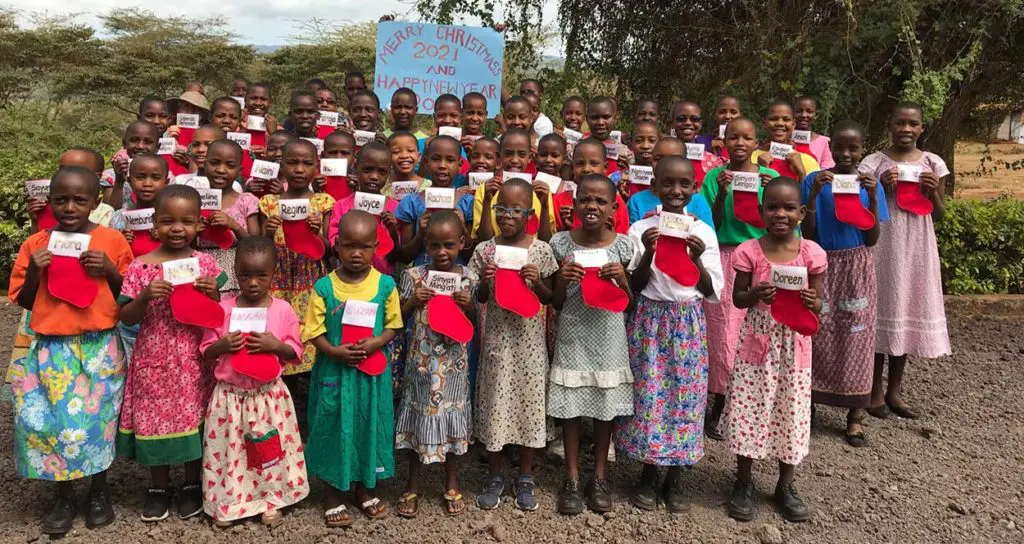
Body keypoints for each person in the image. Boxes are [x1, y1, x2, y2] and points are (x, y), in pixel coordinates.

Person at [8, 166, 133, 536]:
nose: (69, 207)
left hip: (99, 348)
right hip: (50, 349)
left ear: (96, 202)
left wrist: (109, 270)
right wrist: (35, 271)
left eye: (80, 199)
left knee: (97, 423)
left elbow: (128, 296)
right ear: (49, 202)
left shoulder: (111, 240)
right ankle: (62, 494)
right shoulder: (36, 244)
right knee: (48, 423)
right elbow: (26, 301)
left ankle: (98, 491)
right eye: (60, 199)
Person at [617, 156, 723, 512]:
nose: (676, 191)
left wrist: (695, 259)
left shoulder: (704, 233)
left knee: (686, 396)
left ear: (694, 188)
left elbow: (711, 291)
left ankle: (676, 478)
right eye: (668, 184)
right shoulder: (641, 229)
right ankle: (648, 474)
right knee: (650, 395)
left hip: (687, 323)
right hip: (649, 320)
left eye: (684, 184)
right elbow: (634, 284)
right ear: (655, 187)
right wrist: (648, 251)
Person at [117, 185, 227, 522]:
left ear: (199, 225)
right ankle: (158, 487)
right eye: (167, 221)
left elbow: (218, 312)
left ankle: (193, 483)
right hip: (154, 355)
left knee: (194, 417)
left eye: (186, 221)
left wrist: (213, 292)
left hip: (194, 358)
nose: (177, 228)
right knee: (155, 420)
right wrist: (145, 296)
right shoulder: (140, 267)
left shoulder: (206, 263)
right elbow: (125, 316)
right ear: (154, 224)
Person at [723, 176, 826, 523]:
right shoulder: (749, 251)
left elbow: (818, 305)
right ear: (761, 211)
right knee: (750, 410)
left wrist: (814, 301)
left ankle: (785, 484)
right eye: (772, 207)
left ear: (802, 212)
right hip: (758, 345)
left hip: (794, 348)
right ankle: (743, 481)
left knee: (791, 411)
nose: (780, 213)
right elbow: (738, 299)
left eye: (788, 208)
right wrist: (756, 294)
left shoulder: (812, 253)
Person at [302, 210, 403, 527]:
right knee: (335, 426)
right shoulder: (323, 287)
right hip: (335, 373)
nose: (356, 254)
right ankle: (333, 493)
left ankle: (363, 488)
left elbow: (393, 326)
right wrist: (333, 351)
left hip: (371, 376)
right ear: (336, 246)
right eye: (348, 246)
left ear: (376, 247)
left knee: (367, 426)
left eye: (364, 247)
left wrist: (375, 344)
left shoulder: (385, 285)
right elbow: (313, 331)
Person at [200, 235, 308, 528]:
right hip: (230, 398)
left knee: (267, 450)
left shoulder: (282, 310)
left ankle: (269, 500)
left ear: (274, 272)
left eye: (261, 275)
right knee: (229, 451)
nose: (252, 282)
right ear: (235, 271)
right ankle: (230, 502)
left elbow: (296, 351)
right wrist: (222, 345)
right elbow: (206, 350)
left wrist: (276, 346)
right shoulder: (222, 309)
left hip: (267, 397)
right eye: (245, 274)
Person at [548, 174, 636, 515]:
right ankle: (571, 477)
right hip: (573, 332)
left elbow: (627, 304)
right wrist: (561, 279)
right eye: (585, 199)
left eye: (600, 201)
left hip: (609, 336)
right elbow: (556, 302)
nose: (592, 206)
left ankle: (598, 476)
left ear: (613, 208)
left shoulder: (623, 246)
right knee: (570, 411)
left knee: (604, 410)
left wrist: (622, 279)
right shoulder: (560, 244)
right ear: (574, 204)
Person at [470, 178, 557, 512]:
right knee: (495, 401)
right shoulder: (485, 250)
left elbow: (551, 298)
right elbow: (478, 298)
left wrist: (535, 282)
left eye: (515, 210)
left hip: (530, 345)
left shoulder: (541, 251)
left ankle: (525, 474)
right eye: (501, 209)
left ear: (529, 214)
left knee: (528, 402)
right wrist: (485, 281)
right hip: (497, 342)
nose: (507, 216)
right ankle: (494, 474)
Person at [859, 102, 950, 420]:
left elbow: (939, 215)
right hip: (884, 243)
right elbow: (862, 210)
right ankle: (873, 389)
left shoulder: (933, 163)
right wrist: (881, 189)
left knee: (906, 308)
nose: (906, 129)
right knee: (880, 309)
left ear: (922, 128)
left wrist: (933, 194)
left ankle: (895, 389)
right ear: (891, 126)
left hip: (917, 248)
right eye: (900, 123)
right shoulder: (873, 163)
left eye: (913, 124)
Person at [801, 120, 887, 446]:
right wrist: (812, 195)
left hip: (856, 265)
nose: (846, 153)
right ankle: (807, 402)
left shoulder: (870, 183)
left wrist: (873, 199)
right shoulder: (815, 180)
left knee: (857, 336)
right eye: (840, 147)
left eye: (853, 148)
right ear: (830, 148)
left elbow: (873, 237)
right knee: (815, 331)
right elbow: (807, 234)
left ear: (862, 150)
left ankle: (855, 415)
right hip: (821, 263)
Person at [394, 211, 477, 518]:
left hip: (453, 367)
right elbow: (398, 319)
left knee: (452, 417)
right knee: (419, 418)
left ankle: (451, 481)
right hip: (421, 366)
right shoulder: (414, 276)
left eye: (450, 245)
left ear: (462, 243)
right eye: (435, 246)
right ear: (425, 245)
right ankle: (413, 483)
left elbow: (473, 324)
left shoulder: (467, 278)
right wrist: (413, 300)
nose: (442, 252)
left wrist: (467, 305)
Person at [700, 118, 779, 439]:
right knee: (723, 333)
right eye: (733, 137)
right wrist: (721, 194)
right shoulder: (714, 177)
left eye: (747, 137)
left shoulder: (770, 177)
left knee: (759, 331)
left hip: (761, 257)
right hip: (725, 256)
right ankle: (721, 400)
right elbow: (711, 224)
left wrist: (761, 190)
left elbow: (775, 221)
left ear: (757, 142)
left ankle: (756, 400)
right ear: (724, 141)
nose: (740, 143)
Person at [259, 139, 334, 376]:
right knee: (281, 337)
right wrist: (268, 232)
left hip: (311, 283)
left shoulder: (323, 202)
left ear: (316, 167)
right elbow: (260, 249)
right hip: (278, 283)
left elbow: (329, 250)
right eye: (292, 163)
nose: (299, 169)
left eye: (306, 163)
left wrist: (316, 235)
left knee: (311, 339)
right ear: (282, 165)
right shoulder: (269, 204)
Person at [109, 154, 171, 361]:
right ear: (129, 180)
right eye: (140, 177)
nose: (147, 183)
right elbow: (111, 259)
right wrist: (121, 241)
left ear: (166, 182)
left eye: (155, 178)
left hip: (166, 301)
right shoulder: (119, 218)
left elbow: (188, 250)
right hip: (129, 297)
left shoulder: (173, 218)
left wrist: (165, 236)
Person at [394, 136, 474, 266]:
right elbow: (404, 257)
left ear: (459, 165)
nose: (442, 165)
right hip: (421, 281)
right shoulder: (411, 203)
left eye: (450, 160)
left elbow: (472, 257)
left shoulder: (468, 204)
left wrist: (463, 228)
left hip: (457, 282)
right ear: (426, 162)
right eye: (436, 159)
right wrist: (420, 234)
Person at [197, 139, 260, 297]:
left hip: (237, 270)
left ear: (240, 171)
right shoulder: (194, 200)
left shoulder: (246, 200)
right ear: (204, 164)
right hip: (203, 272)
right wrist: (195, 231)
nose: (221, 170)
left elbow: (255, 245)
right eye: (214, 163)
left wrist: (234, 226)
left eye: (230, 165)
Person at [328, 142, 400, 275]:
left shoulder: (395, 208)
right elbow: (334, 247)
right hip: (347, 277)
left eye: (382, 172)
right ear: (356, 167)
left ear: (389, 173)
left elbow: (396, 256)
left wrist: (393, 231)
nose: (374, 176)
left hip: (382, 279)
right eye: (368, 169)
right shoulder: (341, 206)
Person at [473, 128, 554, 243]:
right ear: (499, 157)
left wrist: (545, 206)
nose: (515, 160)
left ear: (530, 158)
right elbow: (484, 240)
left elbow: (546, 240)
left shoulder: (541, 191)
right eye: (508, 154)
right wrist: (487, 201)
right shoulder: (485, 189)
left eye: (521, 155)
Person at [625, 137, 714, 226]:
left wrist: (698, 227)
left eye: (674, 158)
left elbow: (708, 236)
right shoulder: (637, 200)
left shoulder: (698, 202)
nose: (666, 164)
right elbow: (632, 236)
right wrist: (644, 225)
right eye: (658, 158)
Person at [551, 138, 629, 233]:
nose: (586, 169)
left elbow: (622, 239)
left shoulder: (615, 202)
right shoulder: (559, 201)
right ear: (572, 167)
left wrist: (609, 233)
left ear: (605, 167)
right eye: (580, 163)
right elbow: (553, 239)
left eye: (594, 163)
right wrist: (567, 228)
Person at [753, 101, 821, 181]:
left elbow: (813, 193)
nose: (780, 123)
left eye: (786, 119)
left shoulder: (808, 161)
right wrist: (762, 169)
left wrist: (801, 172)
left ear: (793, 124)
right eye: (773, 119)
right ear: (764, 123)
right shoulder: (750, 158)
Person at [106, 120, 161, 210]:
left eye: (147, 142)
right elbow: (111, 211)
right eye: (134, 140)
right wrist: (119, 182)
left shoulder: (164, 175)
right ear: (124, 143)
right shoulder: (110, 175)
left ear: (157, 147)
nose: (140, 146)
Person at [669, 101, 724, 187]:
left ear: (700, 124)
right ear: (672, 123)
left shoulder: (713, 161)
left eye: (694, 119)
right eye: (681, 118)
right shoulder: (662, 155)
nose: (688, 122)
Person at [794, 95, 835, 168]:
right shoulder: (783, 140)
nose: (803, 115)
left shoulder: (826, 142)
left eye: (809, 111)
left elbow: (826, 172)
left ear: (816, 115)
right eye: (799, 111)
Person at [621, 120, 659, 196]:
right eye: (639, 141)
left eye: (651, 141)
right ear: (630, 144)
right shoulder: (619, 178)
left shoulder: (664, 179)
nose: (645, 146)